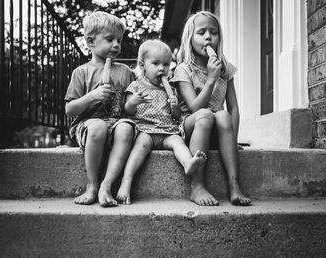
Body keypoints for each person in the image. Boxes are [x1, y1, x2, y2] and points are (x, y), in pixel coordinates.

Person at [171, 11, 251, 206]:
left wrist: (233, 139)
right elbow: (194, 107)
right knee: (206, 114)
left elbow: (233, 107)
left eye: (213, 32)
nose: (208, 37)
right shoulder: (184, 69)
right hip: (192, 126)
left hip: (218, 129)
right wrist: (211, 79)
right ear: (190, 38)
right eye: (201, 32)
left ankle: (234, 185)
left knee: (223, 115)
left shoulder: (225, 68)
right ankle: (197, 186)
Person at [116, 39, 207, 205]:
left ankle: (188, 163)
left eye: (166, 64)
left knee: (178, 142)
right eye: (156, 63)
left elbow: (176, 116)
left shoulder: (171, 89)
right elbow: (128, 110)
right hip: (145, 129)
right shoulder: (136, 86)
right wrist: (133, 102)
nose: (161, 68)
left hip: (167, 131)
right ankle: (126, 182)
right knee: (140, 146)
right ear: (142, 65)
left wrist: (175, 107)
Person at [65, 11, 136, 207]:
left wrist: (134, 102)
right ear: (90, 41)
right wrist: (91, 96)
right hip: (88, 126)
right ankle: (92, 185)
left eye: (119, 40)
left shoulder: (125, 72)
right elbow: (70, 110)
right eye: (109, 39)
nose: (116, 45)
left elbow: (130, 109)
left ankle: (107, 184)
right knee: (98, 127)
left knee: (126, 127)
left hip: (116, 123)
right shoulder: (81, 72)